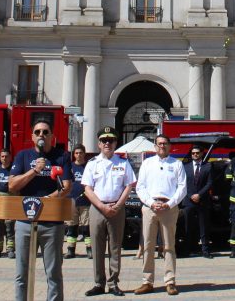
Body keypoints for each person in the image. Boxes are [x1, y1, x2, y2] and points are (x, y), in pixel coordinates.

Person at [9, 120, 72, 301]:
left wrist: (48, 200)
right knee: (22, 274)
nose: (41, 135)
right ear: (32, 137)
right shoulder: (22, 156)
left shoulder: (62, 156)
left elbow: (66, 186)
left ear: (52, 136)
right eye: (37, 132)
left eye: (45, 132)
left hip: (52, 224)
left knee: (53, 273)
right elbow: (12, 185)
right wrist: (35, 170)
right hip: (25, 222)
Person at [81, 126, 136, 298]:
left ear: (115, 143)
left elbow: (129, 186)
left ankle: (113, 283)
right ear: (98, 144)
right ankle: (99, 283)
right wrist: (101, 206)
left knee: (115, 247)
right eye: (104, 141)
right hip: (98, 208)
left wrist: (119, 205)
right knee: (97, 247)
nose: (107, 143)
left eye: (110, 140)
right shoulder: (92, 164)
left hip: (116, 209)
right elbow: (87, 188)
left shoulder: (123, 163)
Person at [134, 135, 186, 296]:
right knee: (148, 246)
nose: (162, 146)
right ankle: (147, 281)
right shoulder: (147, 163)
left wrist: (169, 204)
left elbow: (182, 187)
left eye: (165, 143)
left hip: (169, 208)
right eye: (159, 144)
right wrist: (150, 202)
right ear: (155, 146)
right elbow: (140, 187)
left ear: (169, 146)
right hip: (150, 208)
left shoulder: (177, 164)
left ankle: (170, 281)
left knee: (169, 245)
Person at [180, 142, 213, 259]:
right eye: (193, 153)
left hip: (202, 201)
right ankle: (187, 249)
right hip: (188, 201)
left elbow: (209, 183)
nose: (194, 155)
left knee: (203, 226)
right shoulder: (185, 167)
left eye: (197, 153)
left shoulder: (208, 166)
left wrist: (199, 195)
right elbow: (182, 184)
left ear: (201, 153)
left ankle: (205, 250)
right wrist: (190, 196)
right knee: (187, 226)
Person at [65, 144, 92, 259]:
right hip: (72, 200)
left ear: (84, 154)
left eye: (81, 153)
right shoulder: (70, 167)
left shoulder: (88, 167)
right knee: (71, 226)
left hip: (86, 201)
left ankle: (89, 249)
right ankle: (71, 249)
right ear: (74, 154)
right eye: (76, 153)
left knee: (86, 227)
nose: (78, 155)